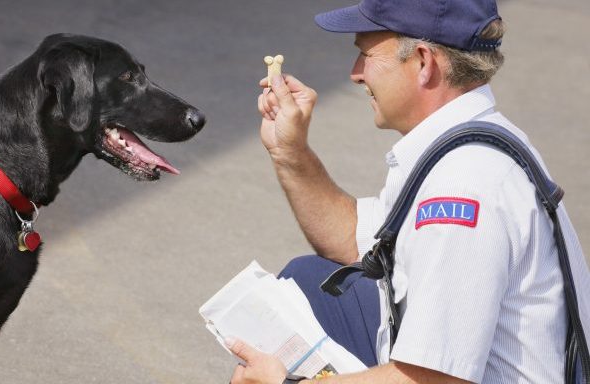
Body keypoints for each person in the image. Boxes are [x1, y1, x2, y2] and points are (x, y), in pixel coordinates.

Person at [227, 0, 590, 383]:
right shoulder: (459, 139)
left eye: (366, 55)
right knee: (307, 281)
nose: (355, 74)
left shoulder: (463, 186)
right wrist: (290, 152)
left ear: (423, 61)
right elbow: (356, 241)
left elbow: (435, 379)